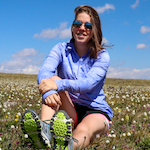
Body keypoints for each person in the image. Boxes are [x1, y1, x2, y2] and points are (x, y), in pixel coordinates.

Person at [21, 5, 113, 150]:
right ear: (72, 27)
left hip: (95, 110)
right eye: (78, 24)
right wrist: (49, 91)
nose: (82, 28)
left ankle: (68, 146)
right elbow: (45, 71)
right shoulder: (60, 48)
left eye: (88, 26)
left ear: (94, 30)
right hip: (69, 109)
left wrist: (58, 85)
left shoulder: (102, 56)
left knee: (84, 129)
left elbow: (87, 84)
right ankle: (44, 130)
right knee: (52, 80)